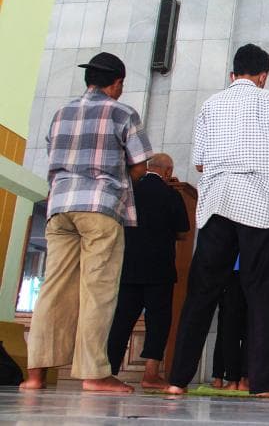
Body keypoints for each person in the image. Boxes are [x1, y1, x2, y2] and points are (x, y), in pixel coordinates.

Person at [166, 43, 269, 398]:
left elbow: (198, 164)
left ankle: (178, 380)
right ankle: (261, 383)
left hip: (214, 203)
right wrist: (260, 161)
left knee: (201, 293)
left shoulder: (210, 104)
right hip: (255, 204)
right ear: (263, 76)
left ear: (232, 75)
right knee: (259, 294)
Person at [20, 52, 152, 393]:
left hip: (60, 206)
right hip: (100, 208)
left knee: (52, 288)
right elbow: (140, 166)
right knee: (99, 290)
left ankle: (35, 373)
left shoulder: (61, 113)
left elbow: (54, 155)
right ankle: (93, 373)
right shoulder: (123, 113)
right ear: (118, 83)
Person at [106, 153, 190, 389]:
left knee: (122, 319)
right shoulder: (171, 194)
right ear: (167, 171)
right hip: (159, 267)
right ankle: (150, 374)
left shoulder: (129, 191)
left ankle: (109, 371)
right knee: (158, 320)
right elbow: (184, 232)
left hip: (129, 266)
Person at [221, 180, 269, 392]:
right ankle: (248, 377)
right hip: (261, 263)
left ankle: (232, 379)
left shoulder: (232, 183)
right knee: (259, 320)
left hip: (232, 263)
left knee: (231, 321)